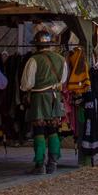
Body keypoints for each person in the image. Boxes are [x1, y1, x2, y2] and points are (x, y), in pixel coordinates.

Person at [20, 29, 69, 174]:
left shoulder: (33, 60)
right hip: (54, 96)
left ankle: (39, 164)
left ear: (36, 45)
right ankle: (53, 162)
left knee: (39, 131)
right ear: (51, 44)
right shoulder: (61, 59)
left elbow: (26, 84)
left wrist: (26, 91)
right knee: (53, 130)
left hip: (38, 97)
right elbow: (63, 79)